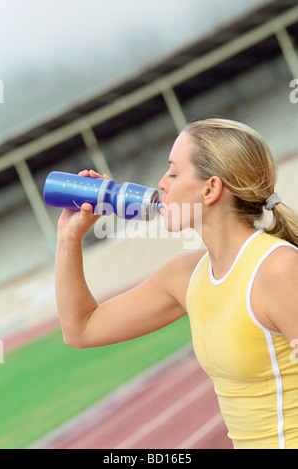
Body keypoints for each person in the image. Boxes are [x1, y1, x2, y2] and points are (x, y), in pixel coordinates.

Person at [55, 118, 298, 449]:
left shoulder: (278, 269)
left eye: (173, 172)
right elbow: (80, 330)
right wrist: (69, 239)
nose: (161, 184)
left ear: (210, 189)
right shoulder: (186, 275)